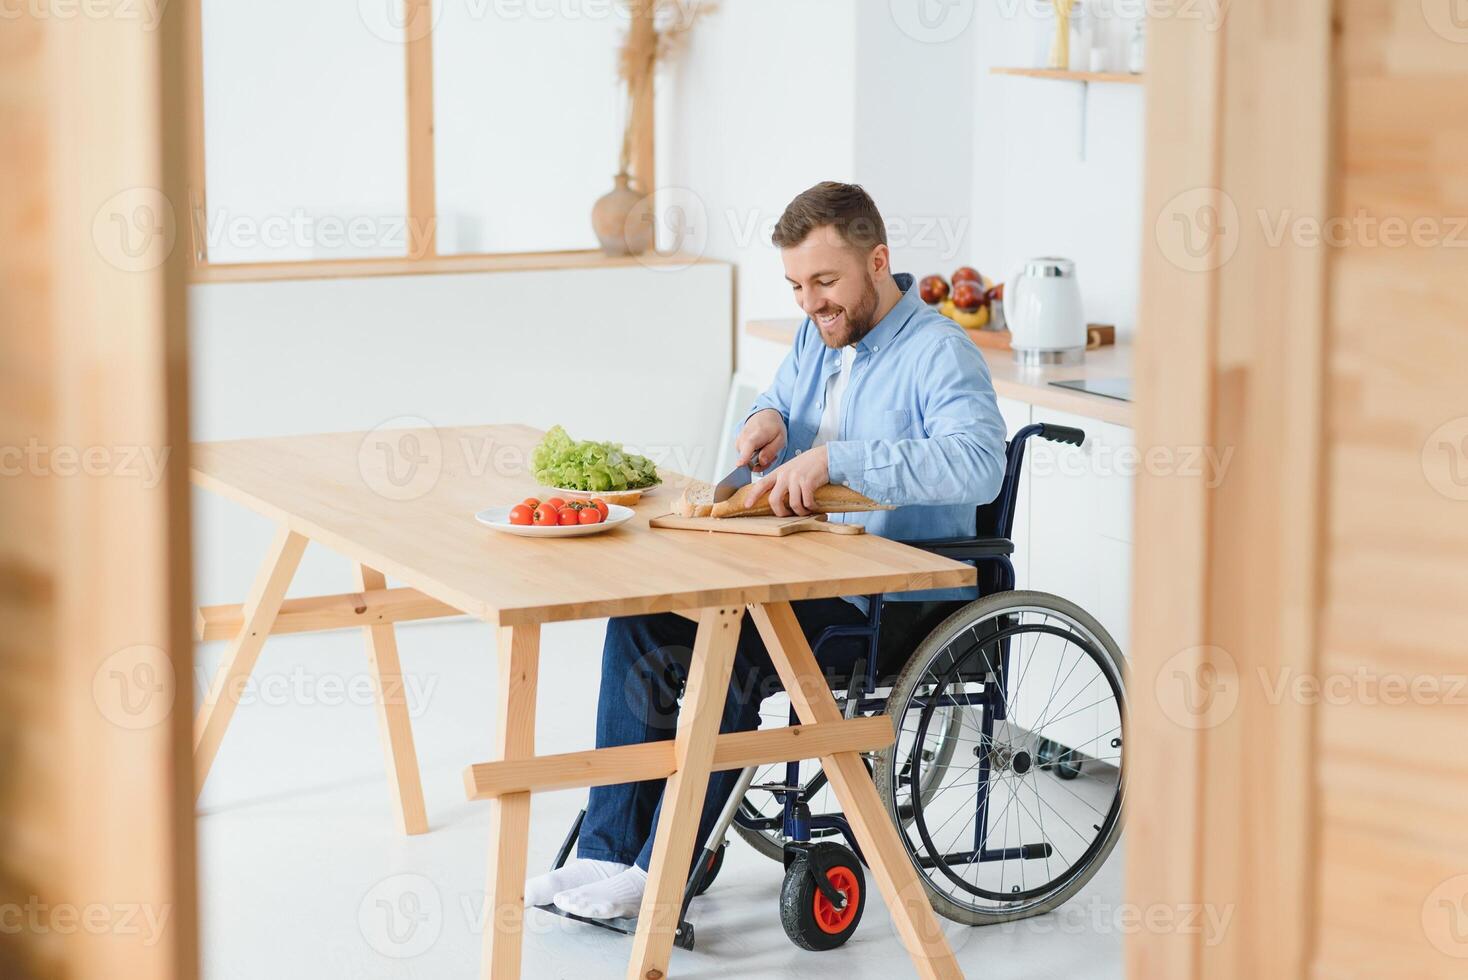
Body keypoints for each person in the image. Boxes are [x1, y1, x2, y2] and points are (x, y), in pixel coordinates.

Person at [525, 181, 1007, 919]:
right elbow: (780, 397)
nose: (811, 303)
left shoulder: (941, 352)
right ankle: (605, 848)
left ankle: (662, 871)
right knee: (644, 628)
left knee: (730, 654)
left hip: (894, 601)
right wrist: (765, 420)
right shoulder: (821, 336)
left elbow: (978, 462)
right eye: (796, 286)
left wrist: (836, 462)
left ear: (878, 262)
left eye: (825, 281)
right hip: (804, 576)